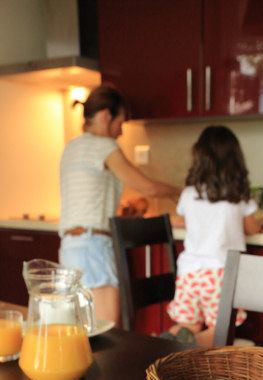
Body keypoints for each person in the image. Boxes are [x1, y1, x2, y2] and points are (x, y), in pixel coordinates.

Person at [58, 85, 181, 327]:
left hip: (71, 249)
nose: (121, 132)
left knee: (81, 334)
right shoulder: (104, 146)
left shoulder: (71, 147)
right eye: (120, 123)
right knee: (106, 329)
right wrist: (181, 192)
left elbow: (90, 199)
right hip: (93, 247)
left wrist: (125, 211)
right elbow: (148, 188)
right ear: (106, 116)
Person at [165, 125, 263, 347]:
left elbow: (190, 219)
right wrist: (262, 218)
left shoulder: (189, 193)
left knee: (187, 324)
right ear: (235, 160)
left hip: (189, 274)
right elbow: (252, 228)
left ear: (199, 157)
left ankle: (170, 342)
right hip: (221, 274)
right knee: (217, 331)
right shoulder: (238, 195)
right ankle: (193, 344)